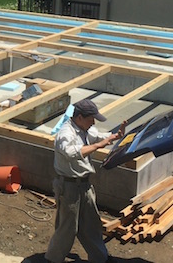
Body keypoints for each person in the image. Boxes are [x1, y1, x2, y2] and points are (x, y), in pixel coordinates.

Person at [44, 99, 127, 263]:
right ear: (80, 117)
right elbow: (70, 152)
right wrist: (99, 145)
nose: (94, 122)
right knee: (68, 227)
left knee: (92, 223)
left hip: (84, 184)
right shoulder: (65, 134)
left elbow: (98, 136)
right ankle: (53, 259)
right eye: (91, 119)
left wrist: (115, 136)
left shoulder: (84, 128)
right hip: (69, 186)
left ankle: (100, 258)